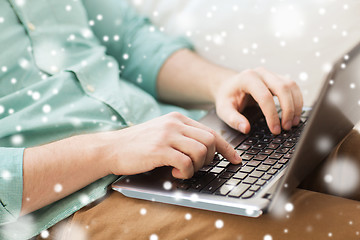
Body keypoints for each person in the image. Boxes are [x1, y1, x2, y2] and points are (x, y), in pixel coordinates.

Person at [0, 0, 321, 239]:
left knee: (341, 154)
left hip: (189, 139)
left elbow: (129, 42)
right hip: (74, 207)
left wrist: (221, 84)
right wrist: (109, 150)